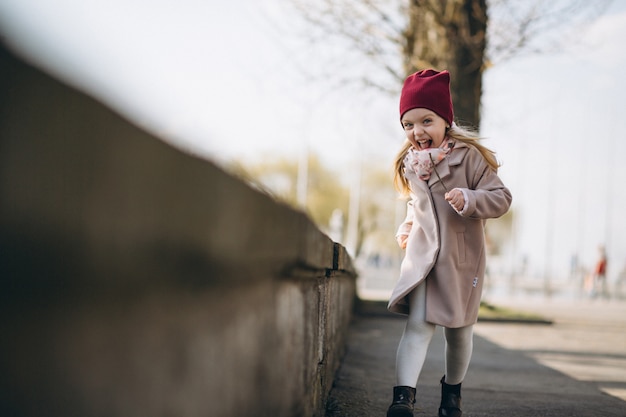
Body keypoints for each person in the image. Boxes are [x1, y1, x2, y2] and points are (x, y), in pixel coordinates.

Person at [386, 69, 512, 417]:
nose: (417, 132)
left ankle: (451, 397)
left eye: (426, 120)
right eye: (408, 125)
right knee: (418, 326)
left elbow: (501, 198)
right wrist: (408, 225)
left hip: (461, 259)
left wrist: (471, 199)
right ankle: (402, 399)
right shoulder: (412, 164)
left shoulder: (468, 157)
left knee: (458, 333)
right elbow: (418, 203)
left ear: (445, 119)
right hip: (423, 258)